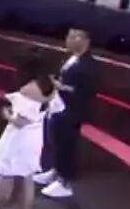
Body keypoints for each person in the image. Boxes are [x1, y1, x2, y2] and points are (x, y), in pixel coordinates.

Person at [0, 50, 63, 209]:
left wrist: (7, 115)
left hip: (19, 138)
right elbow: (57, 108)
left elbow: (20, 122)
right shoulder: (49, 84)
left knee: (7, 176)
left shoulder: (28, 89)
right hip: (35, 137)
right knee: (27, 179)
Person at [35, 28, 99, 198]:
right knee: (56, 142)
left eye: (74, 37)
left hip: (72, 111)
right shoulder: (69, 58)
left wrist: (61, 87)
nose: (68, 40)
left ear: (86, 41)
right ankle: (55, 171)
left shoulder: (90, 65)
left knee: (67, 145)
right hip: (57, 106)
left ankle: (65, 182)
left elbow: (87, 91)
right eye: (68, 36)